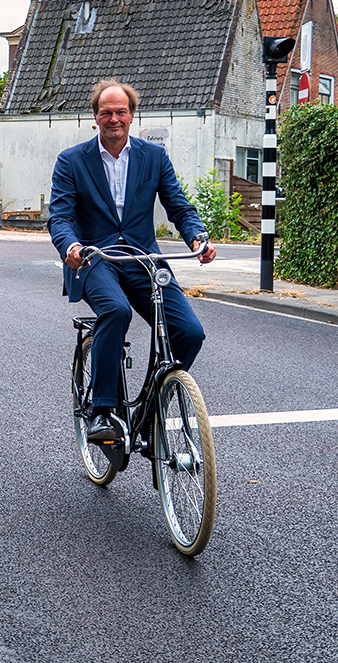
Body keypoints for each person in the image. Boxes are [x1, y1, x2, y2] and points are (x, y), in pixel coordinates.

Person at [48, 79, 216, 444]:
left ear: (132, 115)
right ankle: (103, 411)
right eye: (106, 112)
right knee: (116, 311)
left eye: (120, 111)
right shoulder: (72, 161)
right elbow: (60, 216)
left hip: (143, 258)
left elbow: (179, 205)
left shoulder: (153, 157)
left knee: (190, 332)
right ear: (95, 117)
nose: (113, 118)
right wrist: (71, 247)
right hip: (95, 258)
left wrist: (197, 236)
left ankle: (153, 409)